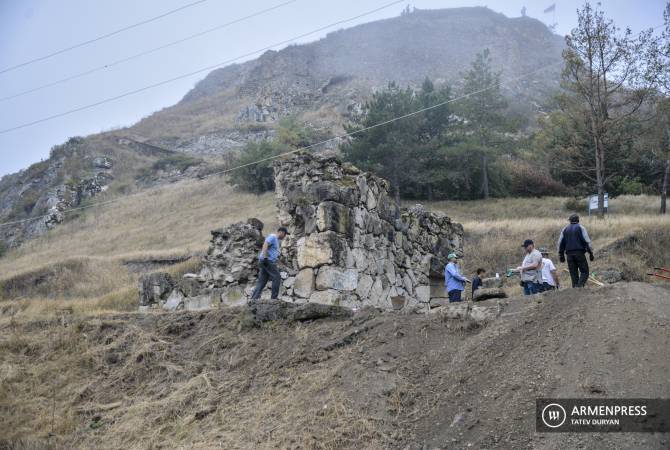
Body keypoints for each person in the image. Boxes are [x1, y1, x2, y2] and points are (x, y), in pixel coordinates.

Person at [250, 227, 288, 300]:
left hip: (265, 261)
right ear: (282, 232)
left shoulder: (276, 240)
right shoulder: (273, 237)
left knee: (262, 281)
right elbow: (265, 244)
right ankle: (274, 299)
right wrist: (265, 257)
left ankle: (253, 299)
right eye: (285, 234)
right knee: (277, 277)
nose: (285, 236)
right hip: (267, 261)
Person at [557, 214, 594, 288]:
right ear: (578, 220)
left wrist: (561, 254)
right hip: (579, 253)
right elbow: (587, 241)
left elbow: (560, 243)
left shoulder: (565, 229)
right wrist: (590, 253)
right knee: (584, 272)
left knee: (573, 274)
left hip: (569, 255)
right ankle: (579, 287)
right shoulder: (581, 228)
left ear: (570, 220)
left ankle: (575, 290)